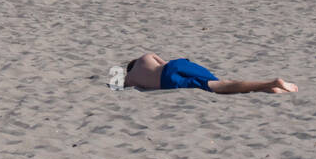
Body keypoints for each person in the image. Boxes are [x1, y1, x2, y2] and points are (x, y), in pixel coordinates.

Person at [124, 53, 297, 94]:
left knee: (220, 86)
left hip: (168, 80)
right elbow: (166, 63)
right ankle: (268, 88)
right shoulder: (145, 57)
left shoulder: (130, 78)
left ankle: (270, 84)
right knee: (217, 81)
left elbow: (124, 85)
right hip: (174, 65)